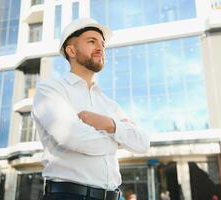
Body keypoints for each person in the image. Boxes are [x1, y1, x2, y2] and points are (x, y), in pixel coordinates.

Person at [32, 18, 150, 200]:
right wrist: (118, 140)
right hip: (69, 196)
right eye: (91, 41)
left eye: (102, 44)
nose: (100, 48)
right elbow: (74, 138)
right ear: (71, 50)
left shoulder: (109, 105)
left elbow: (142, 142)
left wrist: (109, 124)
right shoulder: (51, 90)